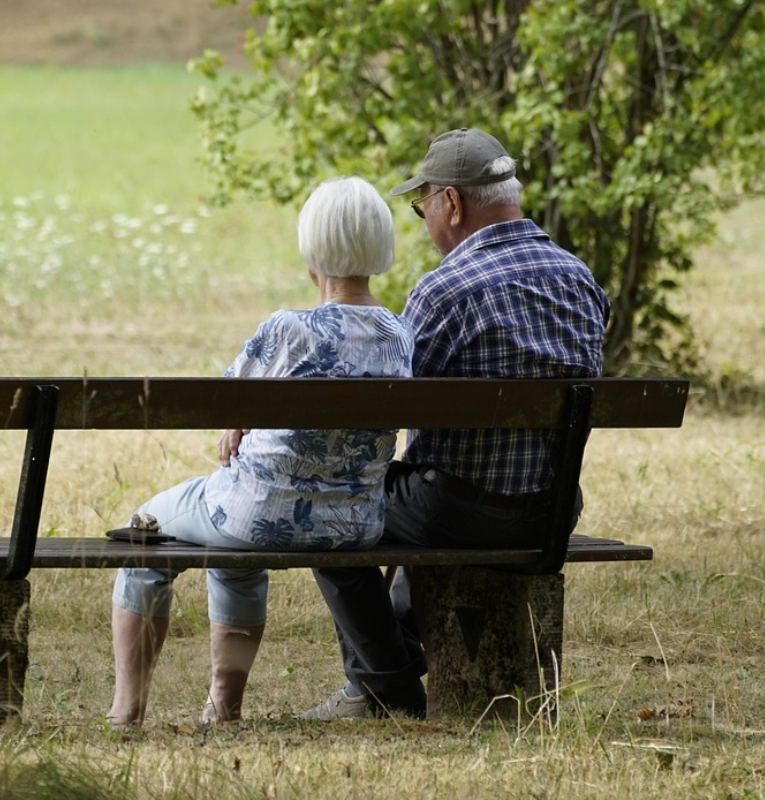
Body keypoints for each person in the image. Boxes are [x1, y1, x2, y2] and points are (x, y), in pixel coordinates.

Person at [301, 127, 611, 720]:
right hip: (551, 511)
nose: (425, 221)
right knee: (421, 488)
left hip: (460, 513)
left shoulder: (444, 291)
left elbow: (392, 412)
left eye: (423, 208)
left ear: (451, 202)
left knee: (329, 505)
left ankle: (385, 685)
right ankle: (393, 657)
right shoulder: (581, 280)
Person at [107, 176, 414, 729]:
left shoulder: (288, 330)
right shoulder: (400, 335)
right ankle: (223, 707)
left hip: (257, 515)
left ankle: (126, 711)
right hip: (354, 525)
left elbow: (223, 400)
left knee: (144, 532)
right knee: (231, 545)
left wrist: (237, 422)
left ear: (312, 249)